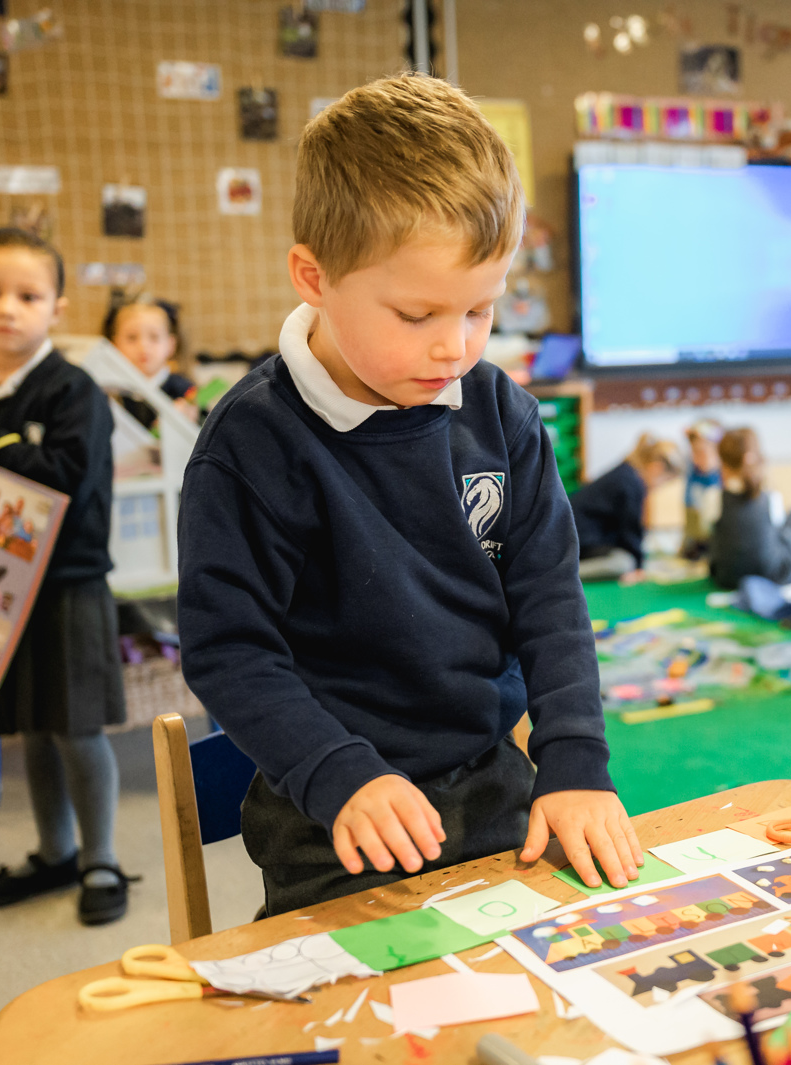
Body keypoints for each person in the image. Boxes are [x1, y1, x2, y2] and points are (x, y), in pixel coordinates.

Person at [177, 73, 642, 915]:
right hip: (334, 810)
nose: (454, 348)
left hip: (492, 780)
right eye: (417, 314)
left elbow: (550, 600)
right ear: (312, 277)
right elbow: (230, 650)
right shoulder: (253, 443)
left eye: (480, 311)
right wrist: (337, 772)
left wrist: (575, 758)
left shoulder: (503, 413)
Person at [0, 228, 130, 922]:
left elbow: (72, 480)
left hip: (68, 582)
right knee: (30, 726)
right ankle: (55, 852)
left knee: (75, 726)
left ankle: (100, 857)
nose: (8, 308)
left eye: (28, 295)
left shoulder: (75, 393)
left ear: (57, 308)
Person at [709, 427, 791, 590]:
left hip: (726, 578)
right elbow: (777, 535)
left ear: (722, 462)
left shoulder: (713, 498)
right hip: (771, 575)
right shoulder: (770, 498)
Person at [570, 433, 684, 582]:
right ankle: (566, 576)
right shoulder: (632, 483)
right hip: (579, 540)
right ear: (656, 468)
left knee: (624, 558)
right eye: (664, 481)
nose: (659, 487)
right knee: (623, 563)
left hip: (584, 538)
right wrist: (638, 567)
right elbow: (631, 530)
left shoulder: (626, 473)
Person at [103, 295, 197, 426]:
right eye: (132, 338)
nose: (143, 347)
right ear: (114, 344)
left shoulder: (184, 391)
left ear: (170, 345)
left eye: (154, 337)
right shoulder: (110, 391)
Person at [680, 419, 723, 561]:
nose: (697, 458)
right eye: (694, 453)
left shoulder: (724, 476)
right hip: (696, 539)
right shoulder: (693, 472)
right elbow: (689, 513)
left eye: (702, 453)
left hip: (719, 539)